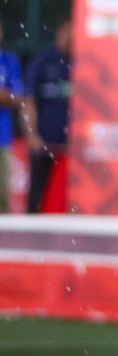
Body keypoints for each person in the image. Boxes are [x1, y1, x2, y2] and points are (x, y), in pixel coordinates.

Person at [17, 21, 71, 214]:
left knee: (71, 198)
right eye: (67, 32)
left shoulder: (81, 61)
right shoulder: (43, 61)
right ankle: (30, 236)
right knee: (36, 196)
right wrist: (31, 134)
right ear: (58, 33)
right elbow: (28, 101)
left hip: (71, 146)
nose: (70, 37)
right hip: (44, 141)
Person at [0, 19, 25, 213]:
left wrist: (6, 96)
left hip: (2, 137)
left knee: (2, 196)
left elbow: (16, 97)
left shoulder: (9, 60)